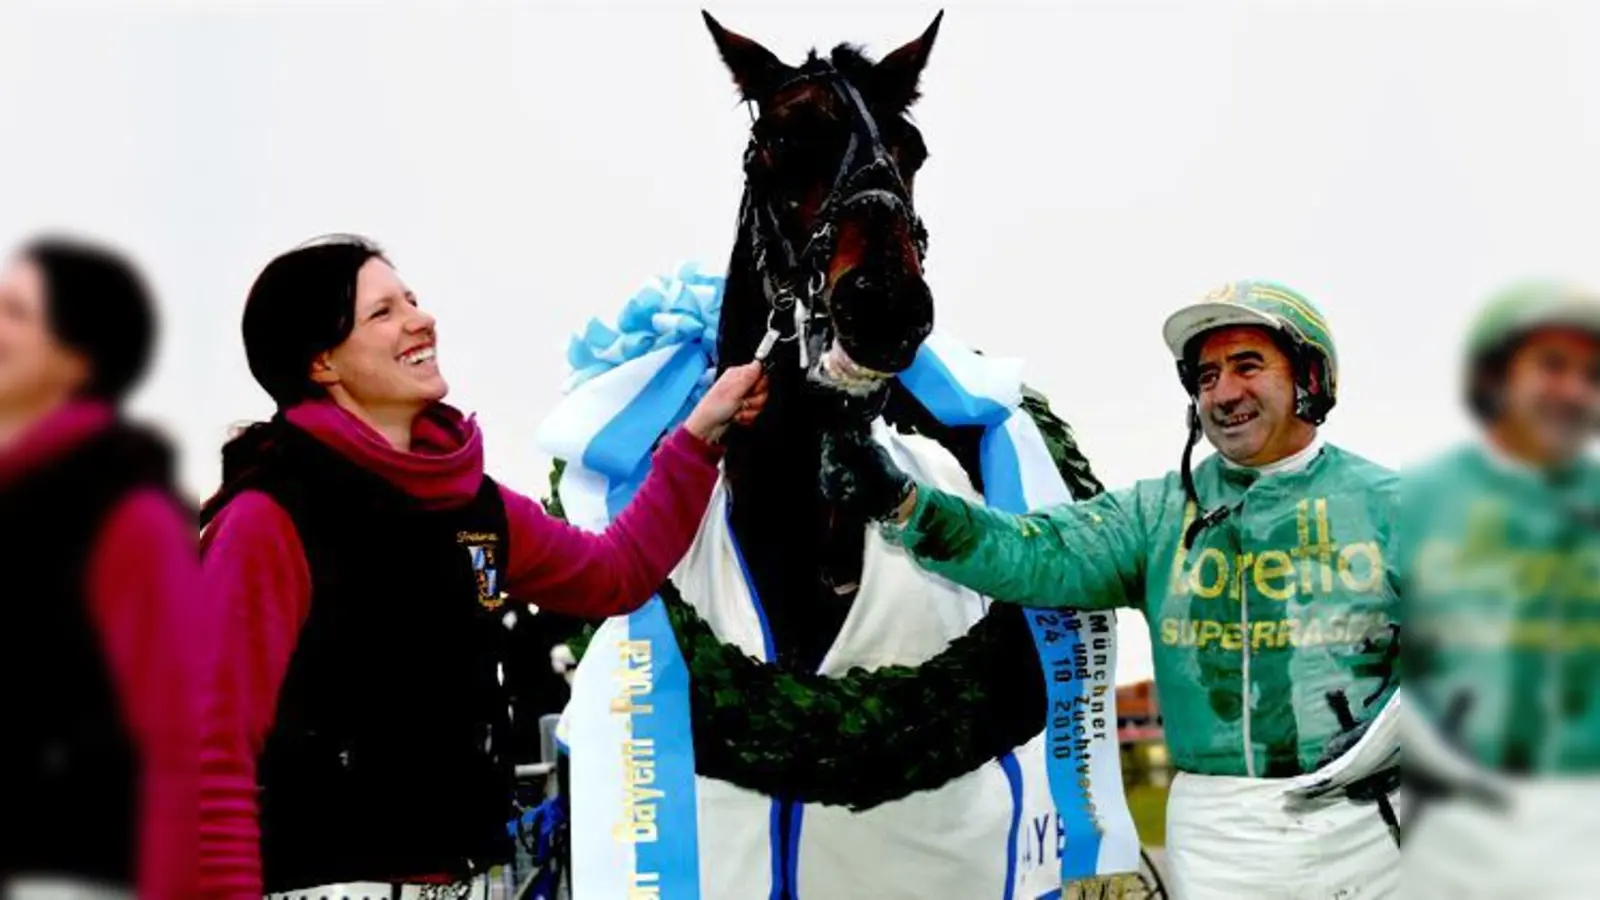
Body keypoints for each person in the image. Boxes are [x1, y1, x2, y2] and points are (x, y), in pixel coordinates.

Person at [196, 234, 767, 899]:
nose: (421, 318)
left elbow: (616, 574)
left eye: (412, 299)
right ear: (322, 362)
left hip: (470, 880)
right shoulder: (267, 519)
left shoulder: (473, 503)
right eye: (383, 312)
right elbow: (210, 750)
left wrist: (698, 436)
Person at [820, 280, 1401, 898]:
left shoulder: (1397, 507)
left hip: (1373, 829)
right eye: (1206, 378)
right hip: (1222, 835)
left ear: (1309, 378)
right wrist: (905, 503)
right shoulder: (1155, 515)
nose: (1224, 393)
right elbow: (1030, 550)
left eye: (1247, 367)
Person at [0, 236, 201, 900]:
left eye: (15, 312)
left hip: (70, 875)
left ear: (78, 356)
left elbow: (176, 742)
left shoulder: (126, 509)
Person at [1402, 282, 1600, 898]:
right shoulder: (1418, 500)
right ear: (1493, 378)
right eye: (1551, 365)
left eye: (1590, 373)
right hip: (1454, 831)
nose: (1572, 389)